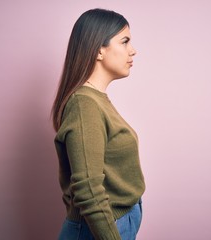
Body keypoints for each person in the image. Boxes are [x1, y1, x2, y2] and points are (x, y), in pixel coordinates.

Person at [51, 8, 146, 240]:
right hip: (100, 230)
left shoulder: (95, 100)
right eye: (124, 42)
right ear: (99, 50)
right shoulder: (85, 105)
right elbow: (88, 191)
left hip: (113, 224)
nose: (133, 50)